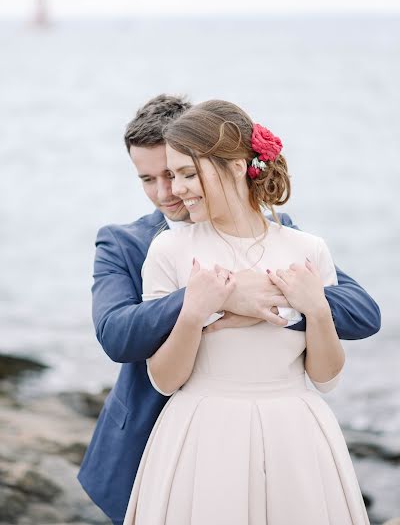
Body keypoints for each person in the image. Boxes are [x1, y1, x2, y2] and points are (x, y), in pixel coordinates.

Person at [78, 95, 380, 525]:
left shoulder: (289, 237)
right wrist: (218, 298)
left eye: (178, 172)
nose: (168, 192)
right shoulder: (127, 242)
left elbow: (362, 313)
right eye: (148, 179)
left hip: (282, 432)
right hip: (159, 434)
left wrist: (292, 303)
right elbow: (115, 334)